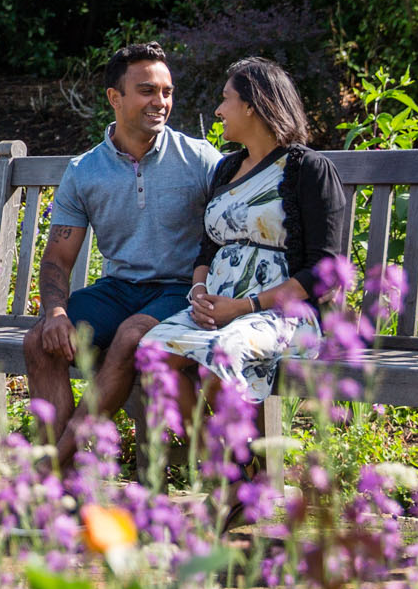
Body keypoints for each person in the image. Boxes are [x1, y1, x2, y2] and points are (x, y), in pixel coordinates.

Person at [22, 42, 220, 467]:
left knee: (133, 334)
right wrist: (55, 313)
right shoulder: (84, 171)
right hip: (119, 290)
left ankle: (52, 469)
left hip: (181, 292)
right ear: (115, 97)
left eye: (167, 91)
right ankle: (68, 479)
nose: (161, 102)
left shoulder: (200, 159)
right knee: (40, 340)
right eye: (148, 90)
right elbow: (58, 258)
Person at [141, 56, 349, 411]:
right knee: (151, 355)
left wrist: (244, 307)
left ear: (252, 105)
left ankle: (239, 460)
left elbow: (322, 270)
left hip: (283, 316)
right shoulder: (228, 168)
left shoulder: (308, 169)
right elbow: (208, 247)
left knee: (224, 352)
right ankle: (215, 457)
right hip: (217, 309)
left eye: (226, 99)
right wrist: (200, 294)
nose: (219, 110)